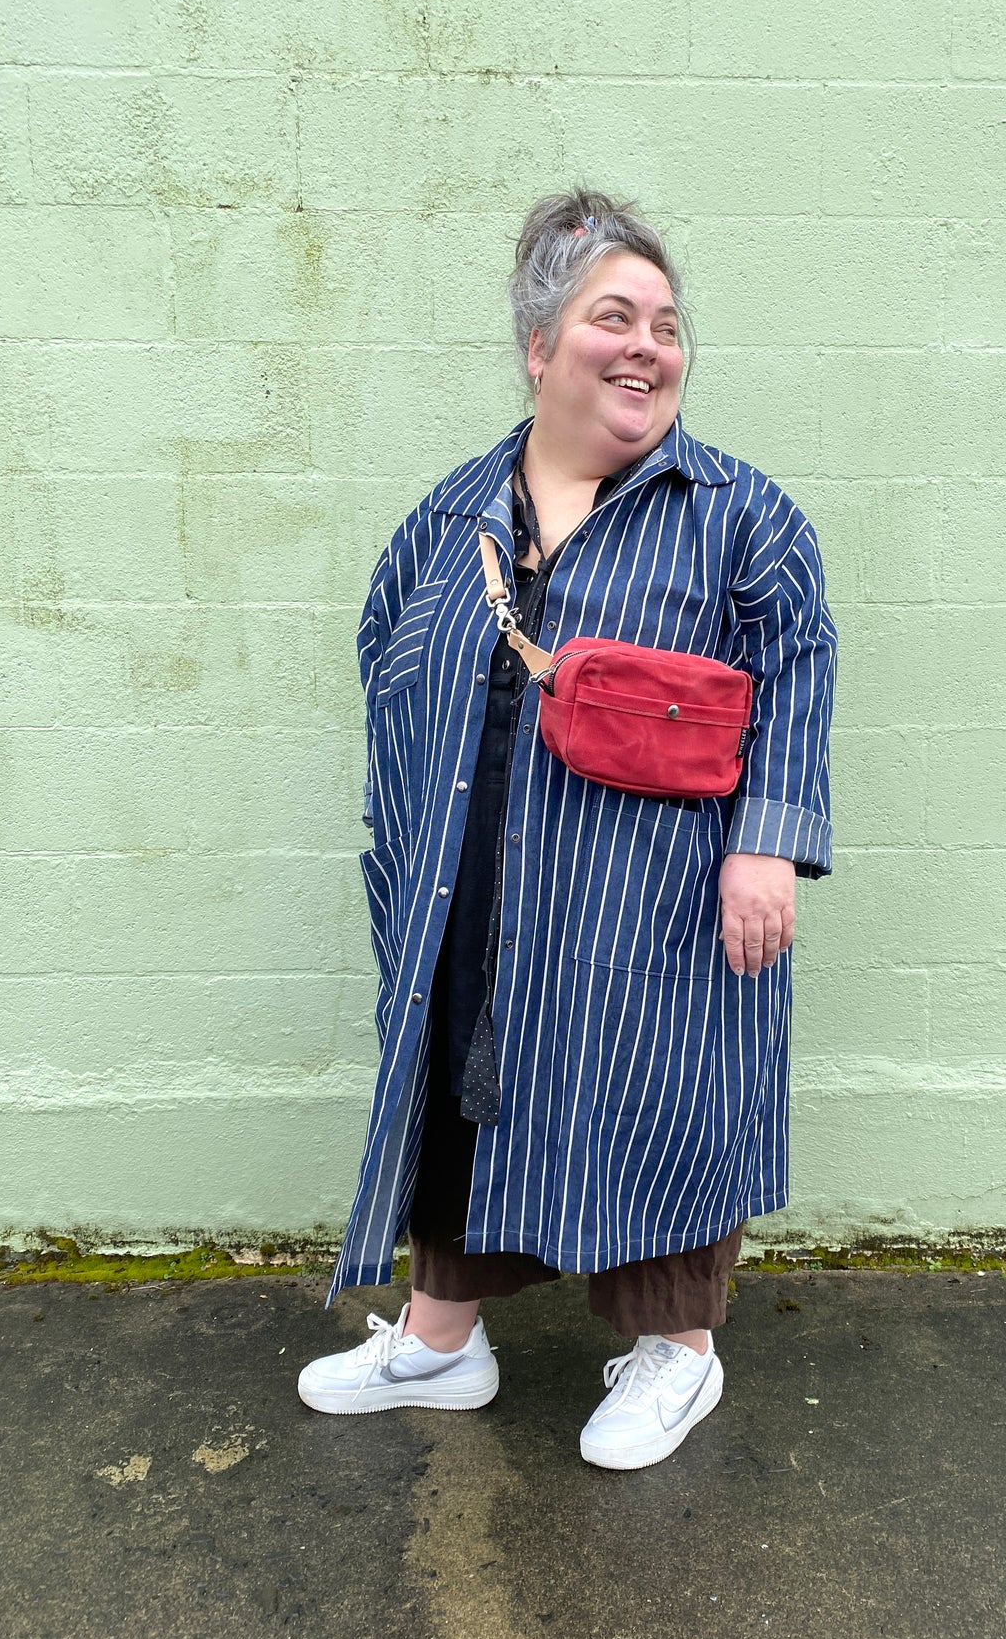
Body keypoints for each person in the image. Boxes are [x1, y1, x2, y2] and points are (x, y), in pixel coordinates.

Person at [298, 189, 836, 1470]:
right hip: (467, 885)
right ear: (540, 348)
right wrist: (409, 834)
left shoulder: (734, 513)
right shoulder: (452, 515)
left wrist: (766, 839)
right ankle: (442, 1338)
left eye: (665, 321)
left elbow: (798, 663)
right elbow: (383, 651)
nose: (647, 343)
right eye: (613, 316)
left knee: (660, 1090)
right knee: (460, 1094)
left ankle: (677, 1356)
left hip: (651, 898)